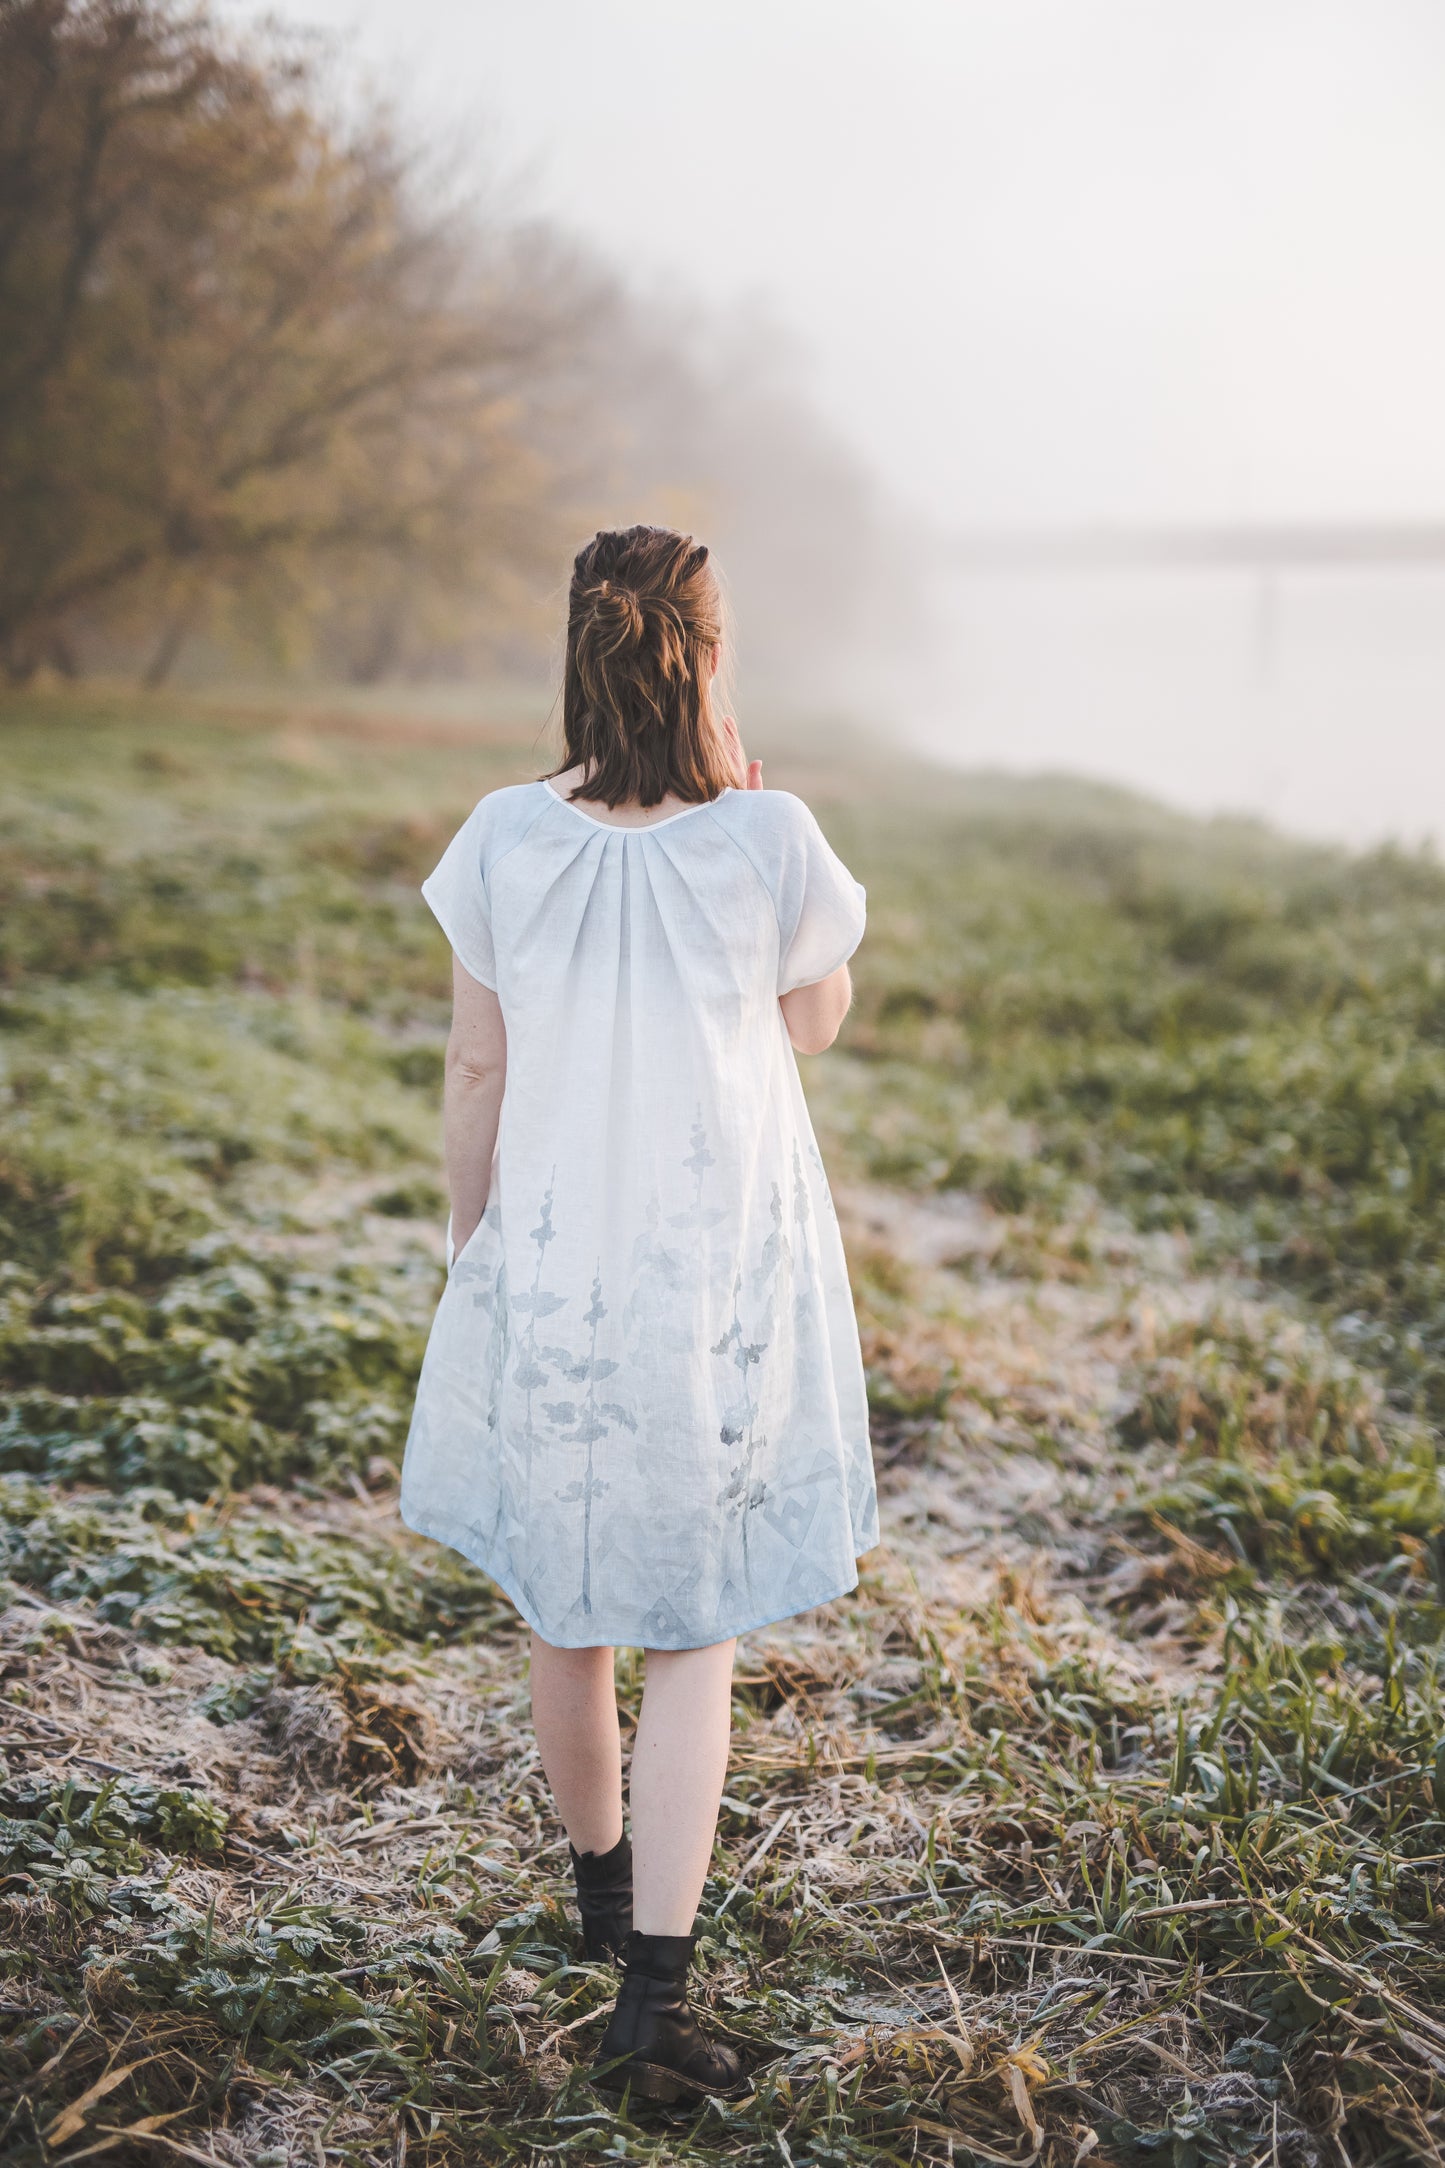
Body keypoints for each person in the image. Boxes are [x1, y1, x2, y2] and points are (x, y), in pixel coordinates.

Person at [400, 524, 877, 2103]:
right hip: (707, 1273)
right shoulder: (766, 837)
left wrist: (477, 1250)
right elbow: (814, 1021)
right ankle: (653, 2000)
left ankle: (600, 1898)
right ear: (710, 659)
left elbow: (476, 1068)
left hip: (552, 1260)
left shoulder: (500, 839)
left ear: (577, 654)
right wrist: (753, 807)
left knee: (566, 1607)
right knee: (692, 1629)